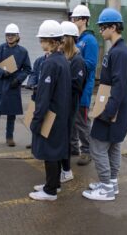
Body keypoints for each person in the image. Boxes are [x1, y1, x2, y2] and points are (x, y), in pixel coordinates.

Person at [82, 8, 127, 201]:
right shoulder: (119, 50)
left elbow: (118, 85)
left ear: (113, 27)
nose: (101, 31)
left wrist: (107, 111)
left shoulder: (119, 53)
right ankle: (112, 183)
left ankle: (106, 188)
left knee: (97, 145)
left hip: (113, 109)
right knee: (113, 146)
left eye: (103, 27)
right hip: (118, 109)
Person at [29, 20, 71, 201]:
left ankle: (50, 191)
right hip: (61, 113)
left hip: (50, 115)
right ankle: (53, 184)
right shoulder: (62, 60)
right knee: (55, 150)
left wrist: (36, 120)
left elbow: (45, 96)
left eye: (42, 40)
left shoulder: (50, 63)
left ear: (51, 41)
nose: (40, 43)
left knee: (50, 152)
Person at [0, 23, 32, 147]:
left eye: (12, 35)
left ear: (17, 36)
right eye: (8, 35)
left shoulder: (23, 51)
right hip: (0, 83)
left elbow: (27, 69)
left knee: (12, 113)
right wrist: (1, 72)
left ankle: (9, 137)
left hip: (13, 85)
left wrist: (19, 79)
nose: (10, 37)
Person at [70, 4, 99, 166]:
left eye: (75, 18)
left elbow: (90, 64)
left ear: (84, 20)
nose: (73, 21)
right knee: (73, 119)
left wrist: (73, 63)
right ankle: (74, 147)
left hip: (83, 88)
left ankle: (87, 150)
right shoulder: (77, 40)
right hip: (75, 86)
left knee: (82, 120)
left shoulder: (90, 41)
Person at [59, 21, 87, 183]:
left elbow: (76, 86)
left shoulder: (77, 61)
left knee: (67, 138)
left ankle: (67, 171)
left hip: (69, 106)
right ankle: (64, 169)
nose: (60, 42)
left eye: (62, 39)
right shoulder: (65, 57)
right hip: (62, 105)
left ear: (70, 39)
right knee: (62, 138)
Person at [25, 53, 47, 149]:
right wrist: (30, 83)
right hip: (36, 95)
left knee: (46, 119)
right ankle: (35, 141)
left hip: (47, 95)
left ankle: (43, 142)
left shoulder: (57, 61)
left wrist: (40, 86)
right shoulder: (39, 60)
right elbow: (34, 73)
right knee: (35, 118)